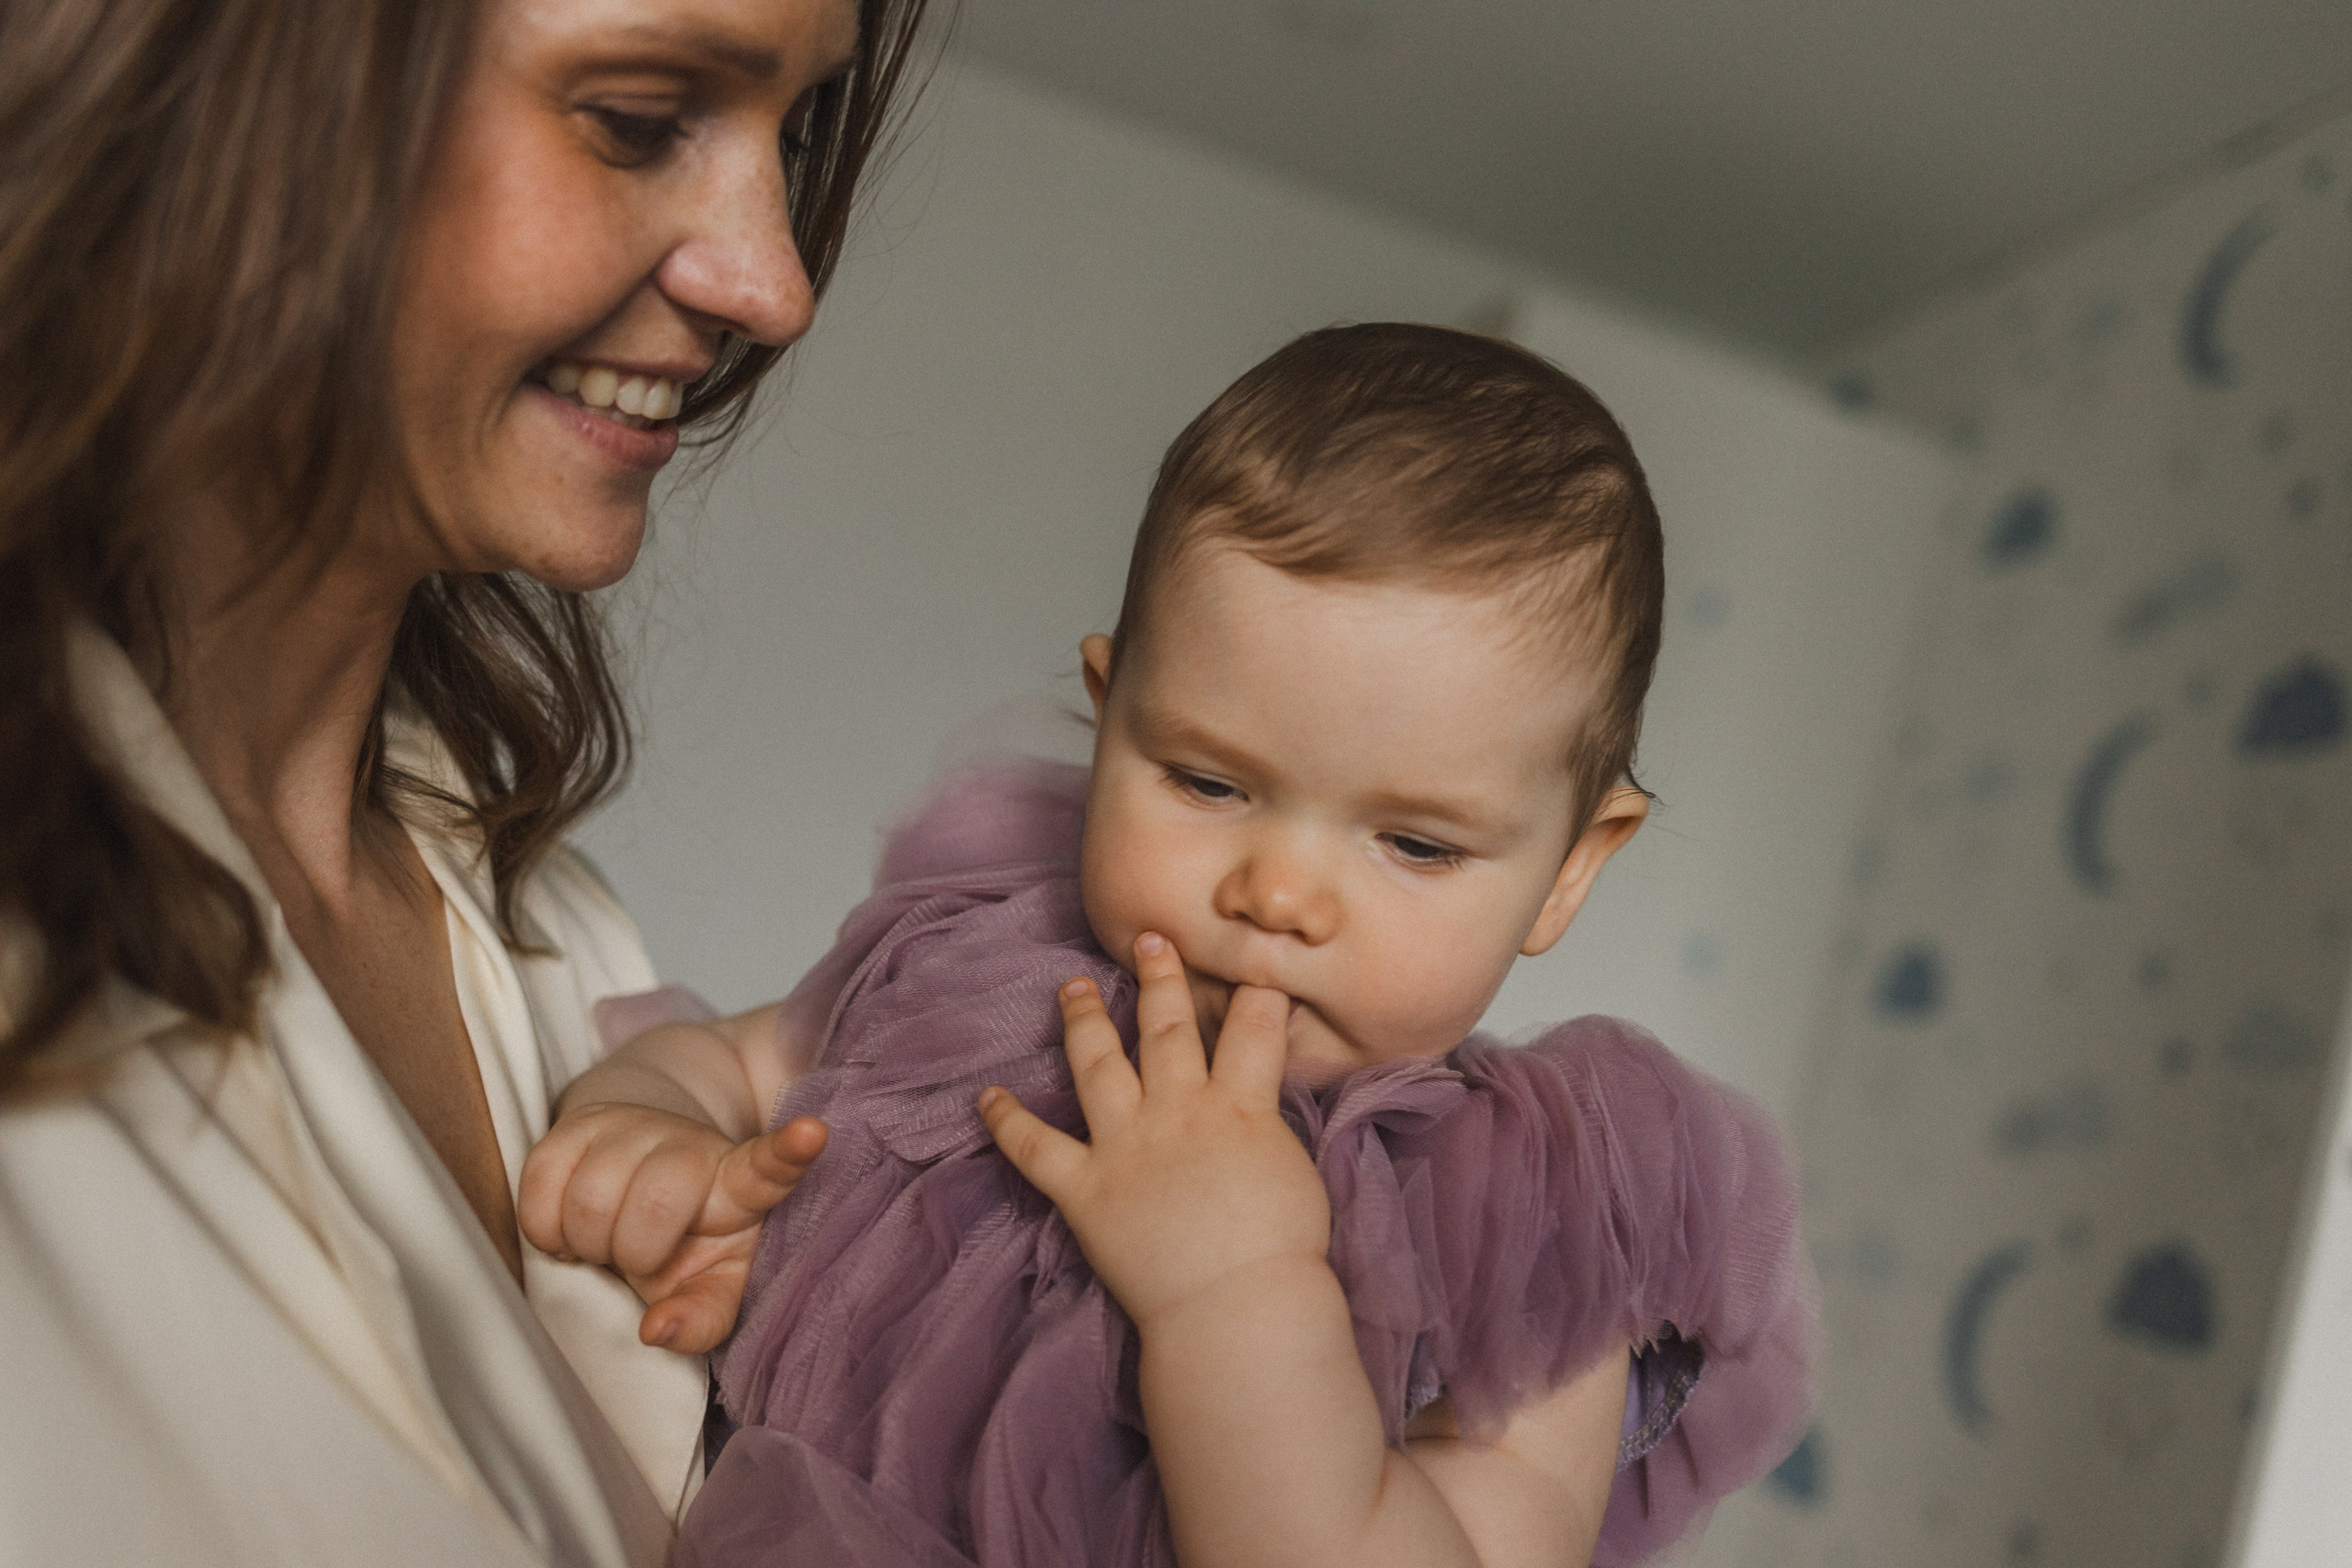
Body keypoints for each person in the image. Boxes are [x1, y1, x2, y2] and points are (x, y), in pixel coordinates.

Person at [526, 325, 1817, 1568]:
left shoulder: (1523, 1222)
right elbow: (738, 1066)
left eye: (1417, 846)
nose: (1278, 893)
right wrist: (653, 1127)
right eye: (1207, 782)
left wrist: (1239, 1291)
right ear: (1109, 716)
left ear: (1568, 871)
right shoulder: (986, 967)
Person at [0, 0, 933, 1562]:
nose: (775, 286)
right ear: (203, 76)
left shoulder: (575, 953)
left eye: (792, 131)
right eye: (639, 117)